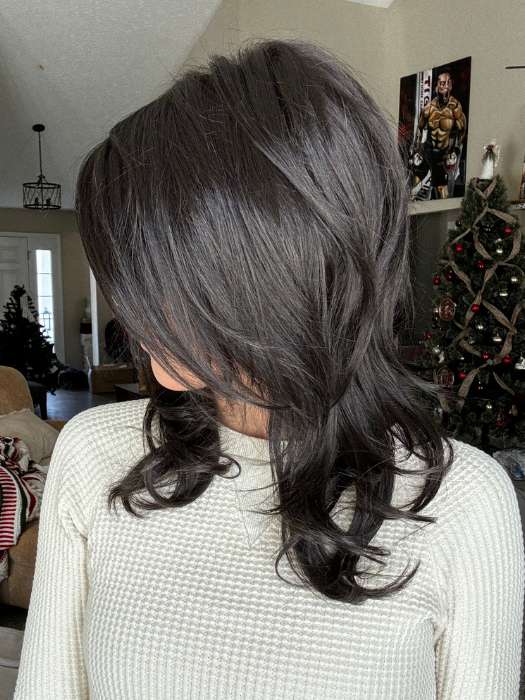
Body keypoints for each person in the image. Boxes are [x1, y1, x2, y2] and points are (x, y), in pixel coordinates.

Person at [14, 39, 524, 699]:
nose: (132, 312)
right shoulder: (94, 457)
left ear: (286, 272)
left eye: (169, 277)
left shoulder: (463, 504)